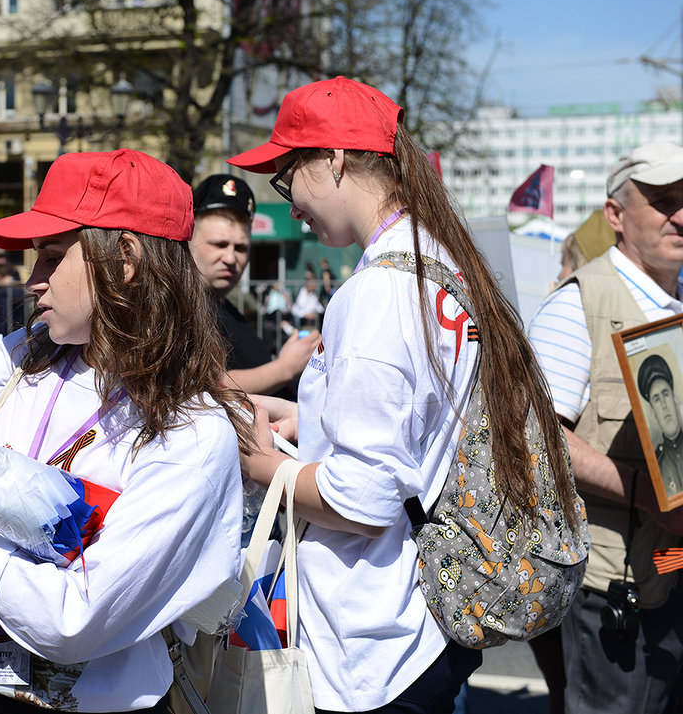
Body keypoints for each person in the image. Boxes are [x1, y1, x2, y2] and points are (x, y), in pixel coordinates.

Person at [0, 148, 252, 712]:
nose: (32, 281)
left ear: (125, 259)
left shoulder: (193, 433)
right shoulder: (25, 356)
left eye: (52, 257)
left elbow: (74, 619)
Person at [230, 76, 583, 713]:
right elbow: (421, 427)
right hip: (422, 628)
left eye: (287, 177)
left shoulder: (377, 293)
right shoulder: (439, 261)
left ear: (333, 159)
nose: (288, 201)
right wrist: (304, 416)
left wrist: (263, 465)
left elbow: (362, 501)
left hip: (375, 645)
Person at [527, 141, 683, 714]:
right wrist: (646, 496)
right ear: (616, 215)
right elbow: (538, 443)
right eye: (665, 201)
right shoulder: (580, 304)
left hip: (672, 568)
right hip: (613, 590)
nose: (682, 215)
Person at [189, 173, 319, 396]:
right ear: (189, 239)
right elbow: (201, 385)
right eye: (219, 244)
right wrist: (284, 368)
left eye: (240, 247)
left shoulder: (225, 308)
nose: (231, 258)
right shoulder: (180, 308)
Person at [637, 354, 683, 496]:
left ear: (674, 399)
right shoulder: (657, 463)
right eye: (656, 399)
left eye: (666, 394)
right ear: (653, 412)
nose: (663, 405)